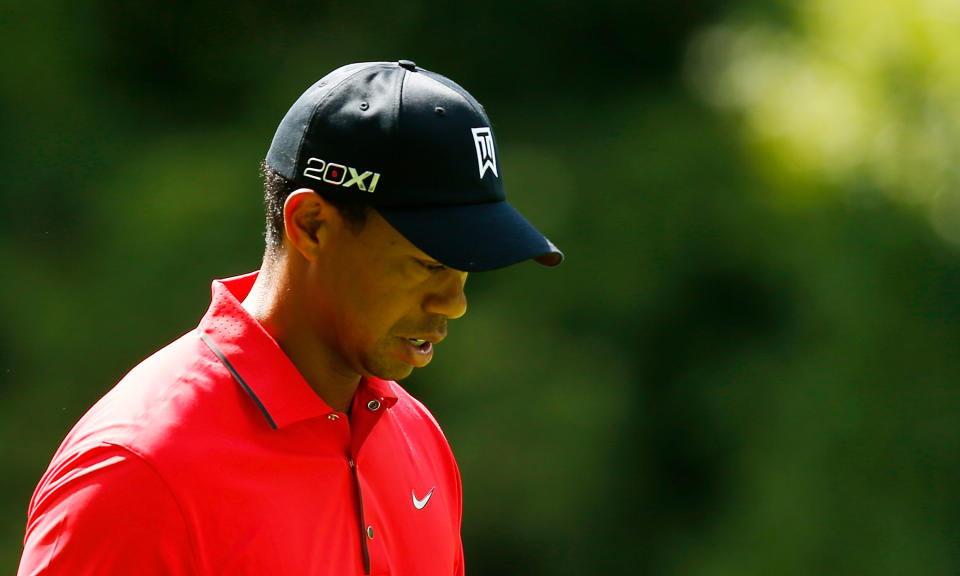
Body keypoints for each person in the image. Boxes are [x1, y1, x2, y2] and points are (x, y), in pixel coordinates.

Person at [16, 60, 562, 575]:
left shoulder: (418, 439)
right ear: (312, 226)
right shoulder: (136, 472)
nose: (454, 302)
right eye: (427, 263)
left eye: (466, 267)